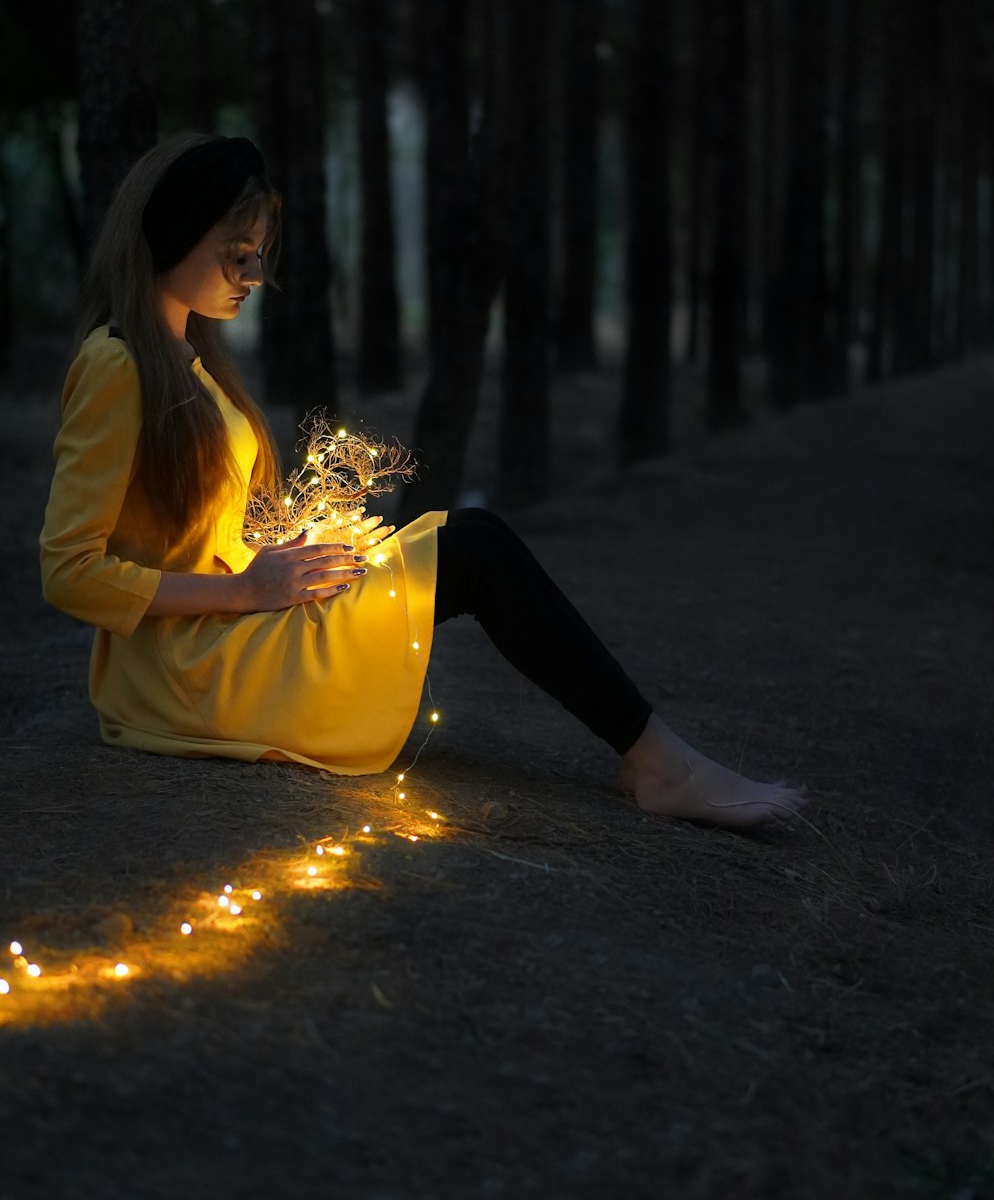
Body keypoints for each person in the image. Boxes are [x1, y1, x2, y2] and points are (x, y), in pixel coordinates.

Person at [40, 134, 806, 829]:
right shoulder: (118, 365)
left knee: (462, 541)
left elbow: (187, 533)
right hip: (188, 668)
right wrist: (246, 590)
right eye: (234, 251)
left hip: (223, 630)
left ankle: (655, 757)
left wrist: (287, 550)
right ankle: (658, 762)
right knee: (472, 548)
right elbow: (69, 573)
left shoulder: (192, 364)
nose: (254, 274)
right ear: (170, 233)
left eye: (258, 253)